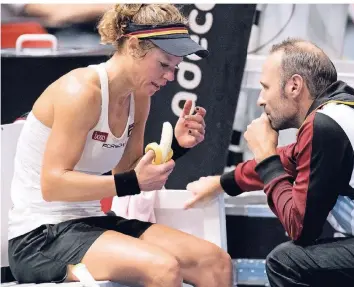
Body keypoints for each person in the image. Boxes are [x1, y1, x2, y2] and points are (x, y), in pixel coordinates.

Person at [8, 4, 232, 287]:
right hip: (39, 238)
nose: (170, 77)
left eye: (175, 68)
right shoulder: (80, 92)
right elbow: (53, 186)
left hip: (89, 223)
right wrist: (132, 182)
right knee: (162, 269)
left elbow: (127, 171)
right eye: (164, 65)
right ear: (134, 45)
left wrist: (175, 144)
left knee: (215, 262)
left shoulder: (139, 96)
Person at [184, 38, 354, 287]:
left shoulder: (324, 125)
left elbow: (300, 228)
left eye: (265, 87)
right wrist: (224, 182)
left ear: (294, 86)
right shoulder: (344, 112)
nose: (261, 100)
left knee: (287, 263)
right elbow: (290, 158)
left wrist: (265, 155)